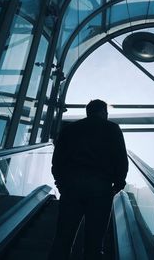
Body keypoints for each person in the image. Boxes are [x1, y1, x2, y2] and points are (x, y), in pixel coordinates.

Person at [49, 99, 128, 259]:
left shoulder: (69, 130)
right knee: (94, 244)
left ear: (88, 112)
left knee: (63, 239)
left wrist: (61, 183)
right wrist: (118, 184)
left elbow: (57, 160)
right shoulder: (112, 129)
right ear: (104, 112)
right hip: (101, 187)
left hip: (72, 186)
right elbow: (121, 159)